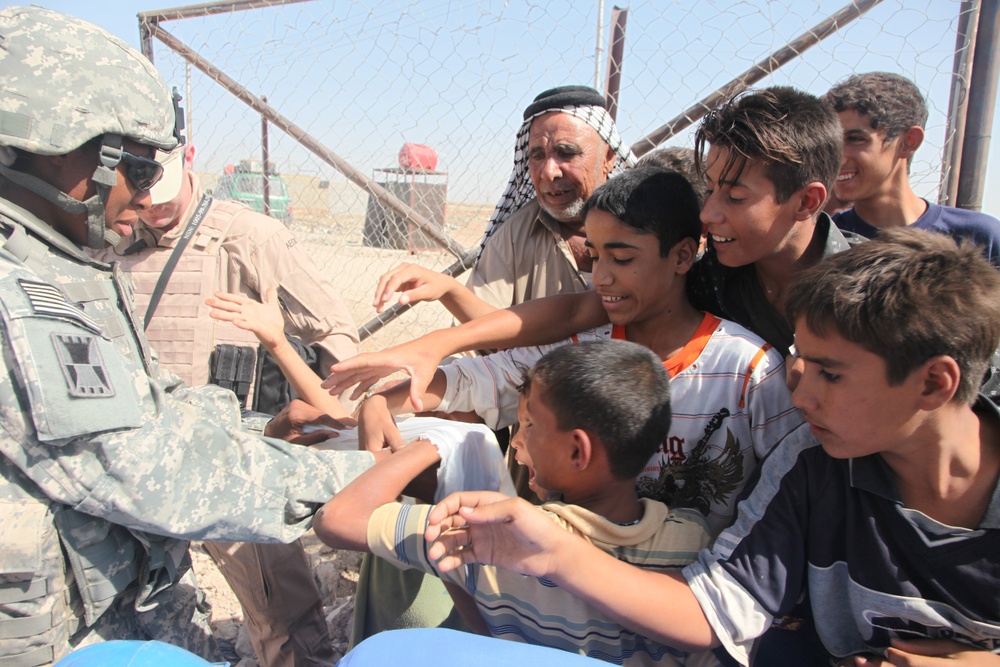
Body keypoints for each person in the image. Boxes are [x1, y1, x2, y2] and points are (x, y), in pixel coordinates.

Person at [423, 228, 1000, 667]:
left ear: (933, 383)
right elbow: (713, 609)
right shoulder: (811, 467)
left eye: (830, 374)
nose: (801, 397)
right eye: (800, 363)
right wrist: (551, 551)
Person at [0, 7, 376, 665]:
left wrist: (258, 429)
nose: (145, 199)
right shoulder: (18, 291)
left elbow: (154, 401)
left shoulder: (59, 255)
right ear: (45, 145)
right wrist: (359, 476)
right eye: (135, 169)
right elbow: (156, 471)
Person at [324, 168, 801, 534]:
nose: (603, 278)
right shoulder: (582, 351)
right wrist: (388, 396)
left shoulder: (748, 369)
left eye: (624, 258)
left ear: (681, 256)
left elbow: (789, 490)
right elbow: (484, 379)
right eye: (595, 256)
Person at [91, 142, 360, 667]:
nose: (152, 204)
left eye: (160, 189)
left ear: (187, 156)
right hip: (136, 460)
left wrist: (334, 412)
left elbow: (337, 336)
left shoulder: (248, 237)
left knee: (283, 623)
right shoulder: (106, 235)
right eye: (139, 196)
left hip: (230, 463)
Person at [315, 340, 715, 667]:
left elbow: (339, 518)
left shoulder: (498, 542)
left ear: (578, 452)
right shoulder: (693, 543)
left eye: (529, 425)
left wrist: (434, 441)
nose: (518, 441)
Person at [467, 84, 636, 309]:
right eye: (537, 155)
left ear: (608, 158)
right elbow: (475, 334)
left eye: (566, 153)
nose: (549, 172)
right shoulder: (514, 237)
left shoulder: (644, 227)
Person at [824, 71, 1000, 265]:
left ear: (908, 142)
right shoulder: (822, 241)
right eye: (832, 143)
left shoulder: (978, 239)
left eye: (855, 139)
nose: (837, 157)